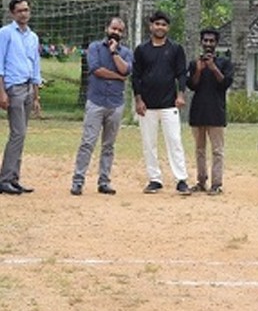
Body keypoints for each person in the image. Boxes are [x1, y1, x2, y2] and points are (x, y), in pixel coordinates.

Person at [70, 17, 134, 195]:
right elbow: (96, 69)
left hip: (115, 104)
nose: (116, 32)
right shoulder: (95, 47)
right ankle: (78, 181)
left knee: (108, 145)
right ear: (107, 28)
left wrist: (114, 54)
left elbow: (126, 70)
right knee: (88, 142)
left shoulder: (126, 52)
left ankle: (104, 181)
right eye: (114, 28)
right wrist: (118, 77)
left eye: (120, 30)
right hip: (96, 102)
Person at [132, 11, 191, 195]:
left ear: (168, 28)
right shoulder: (142, 50)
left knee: (174, 141)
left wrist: (181, 95)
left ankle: (181, 179)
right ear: (151, 26)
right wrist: (138, 100)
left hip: (169, 105)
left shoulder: (175, 49)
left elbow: (181, 73)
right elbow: (136, 77)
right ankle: (155, 179)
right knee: (149, 143)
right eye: (157, 24)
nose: (160, 27)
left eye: (164, 25)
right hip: (147, 106)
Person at [0, 0, 42, 195]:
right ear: (12, 13)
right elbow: (0, 64)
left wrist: (36, 96)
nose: (24, 14)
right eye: (20, 11)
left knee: (21, 134)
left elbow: (35, 67)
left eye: (26, 10)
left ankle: (14, 178)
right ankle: (5, 178)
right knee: (18, 133)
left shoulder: (32, 37)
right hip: (13, 87)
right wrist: (2, 92)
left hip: (27, 87)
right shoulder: (5, 33)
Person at [186, 28, 234, 195]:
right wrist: (199, 70)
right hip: (198, 112)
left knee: (217, 151)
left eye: (211, 41)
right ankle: (201, 182)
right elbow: (192, 86)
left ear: (216, 43)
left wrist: (213, 67)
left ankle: (216, 184)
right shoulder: (194, 64)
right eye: (205, 41)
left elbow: (225, 83)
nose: (208, 44)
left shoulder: (225, 63)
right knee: (199, 150)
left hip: (216, 113)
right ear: (201, 42)